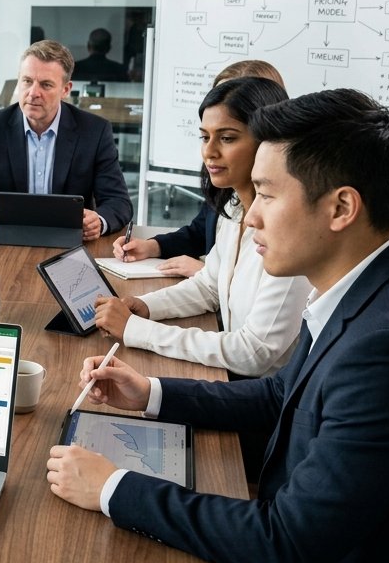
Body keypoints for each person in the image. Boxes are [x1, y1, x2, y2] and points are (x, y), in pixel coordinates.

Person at [47, 89, 389, 563]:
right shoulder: (373, 281)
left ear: (341, 208)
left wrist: (112, 488)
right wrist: (153, 394)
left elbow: (288, 543)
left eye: (268, 196)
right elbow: (282, 394)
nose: (249, 217)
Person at [93, 77, 310, 377]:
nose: (209, 152)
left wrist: (138, 330)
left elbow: (254, 353)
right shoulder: (233, 206)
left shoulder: (292, 233)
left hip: (259, 400)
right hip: (230, 379)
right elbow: (209, 286)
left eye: (227, 138)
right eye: (204, 137)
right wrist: (143, 306)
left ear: (267, 143)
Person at [113, 59, 285, 277]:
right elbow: (200, 232)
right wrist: (153, 246)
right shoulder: (229, 191)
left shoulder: (281, 215)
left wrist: (208, 274)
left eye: (227, 137)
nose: (209, 150)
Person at [0, 39, 132, 241]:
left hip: (71, 243)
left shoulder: (94, 131)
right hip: (7, 241)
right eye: (27, 81)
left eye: (46, 84)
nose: (33, 93)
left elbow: (118, 201)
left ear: (65, 90)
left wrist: (99, 220)